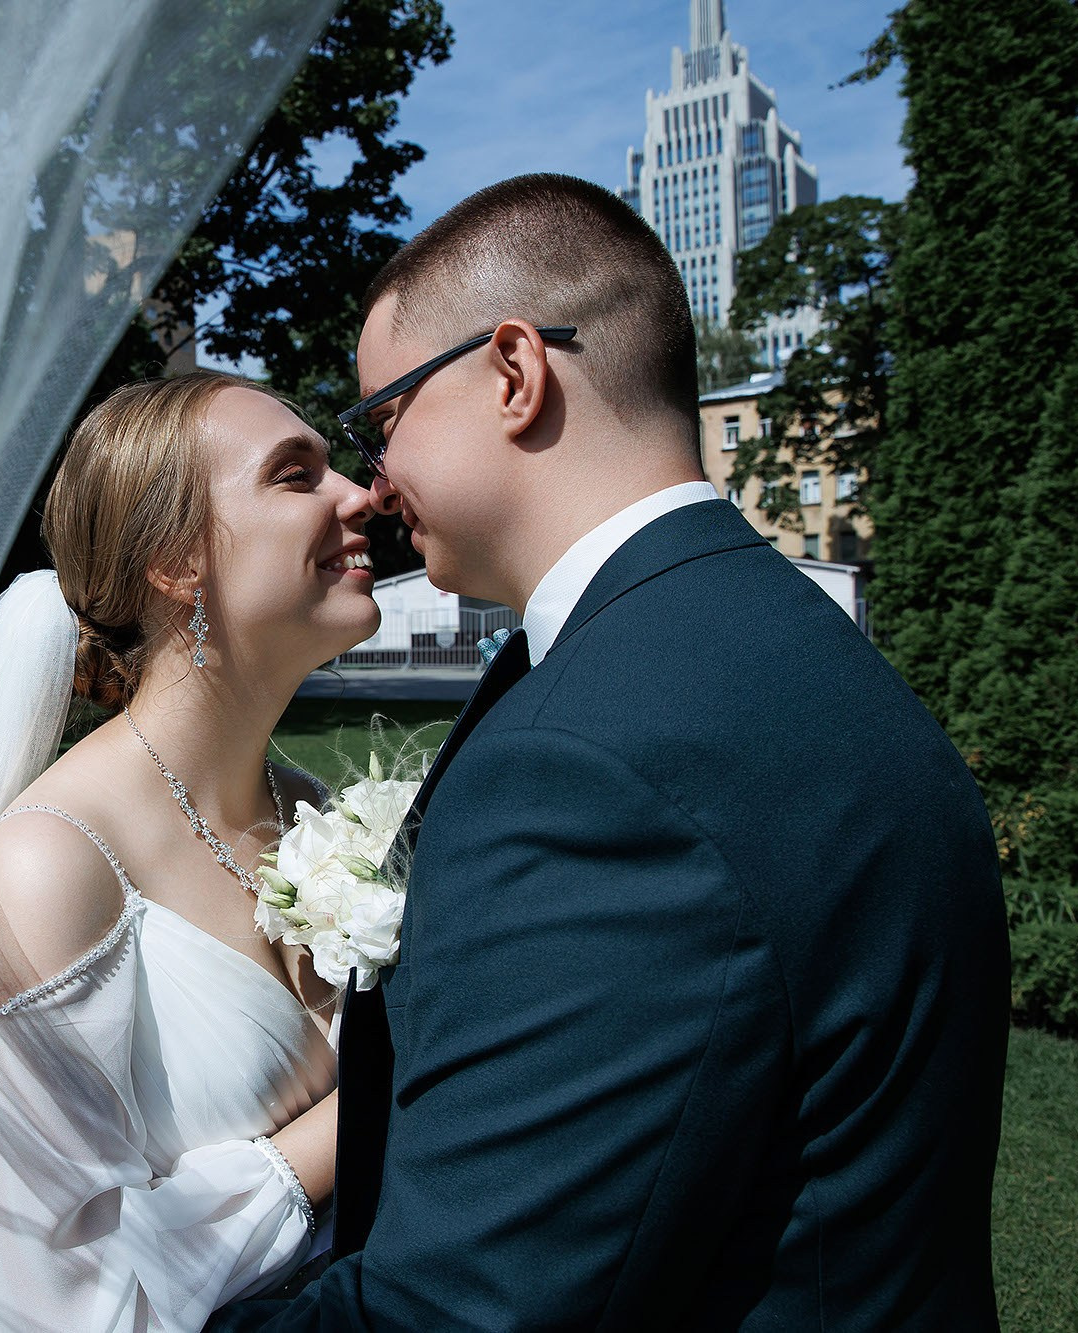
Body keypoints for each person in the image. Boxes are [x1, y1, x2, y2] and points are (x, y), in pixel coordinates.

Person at [211, 173, 1008, 1329]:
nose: (374, 483)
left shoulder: (589, 763)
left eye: (383, 418)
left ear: (513, 373)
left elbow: (464, 1305)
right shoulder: (796, 653)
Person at [0, 371, 384, 1330]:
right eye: (296, 476)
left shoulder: (316, 811)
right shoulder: (54, 868)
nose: (360, 494)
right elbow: (46, 1288)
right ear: (177, 561)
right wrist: (376, 1101)